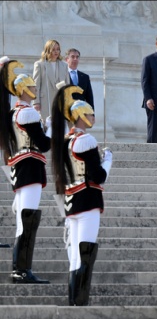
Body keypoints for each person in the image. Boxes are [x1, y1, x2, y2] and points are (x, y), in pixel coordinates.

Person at [50, 80, 112, 305]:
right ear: (82, 116)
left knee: (75, 258)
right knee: (85, 254)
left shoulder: (66, 141)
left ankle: (73, 301)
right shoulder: (86, 140)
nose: (94, 117)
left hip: (72, 201)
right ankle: (81, 303)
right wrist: (108, 161)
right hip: (87, 201)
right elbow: (99, 176)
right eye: (91, 114)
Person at [0, 57, 51, 283]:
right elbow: (44, 144)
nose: (34, 90)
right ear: (23, 89)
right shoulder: (29, 113)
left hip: (20, 168)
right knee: (28, 219)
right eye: (32, 87)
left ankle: (19, 268)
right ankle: (22, 269)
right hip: (30, 167)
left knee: (24, 220)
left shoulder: (13, 113)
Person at [33, 39, 69, 123]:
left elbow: (68, 84)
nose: (56, 52)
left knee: (59, 126)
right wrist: (36, 102)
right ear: (48, 50)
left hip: (60, 101)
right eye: (53, 49)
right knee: (46, 125)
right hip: (45, 101)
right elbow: (36, 85)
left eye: (58, 49)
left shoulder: (64, 65)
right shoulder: (40, 64)